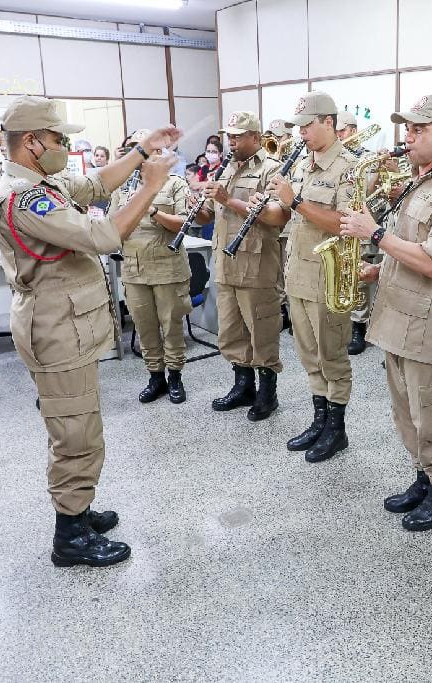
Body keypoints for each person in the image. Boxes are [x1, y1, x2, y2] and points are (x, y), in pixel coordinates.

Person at [0, 95, 180, 568]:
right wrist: (150, 186)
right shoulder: (23, 197)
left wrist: (140, 152)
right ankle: (70, 535)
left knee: (80, 424)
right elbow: (103, 235)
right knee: (75, 433)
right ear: (31, 142)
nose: (64, 146)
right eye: (57, 139)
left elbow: (94, 185)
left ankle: (80, 509)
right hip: (55, 329)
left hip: (66, 324)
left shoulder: (41, 181)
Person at [340, 95, 432, 531]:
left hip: (429, 324)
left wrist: (375, 234)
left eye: (420, 129)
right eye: (409, 128)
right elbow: (408, 248)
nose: (409, 136)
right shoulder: (420, 181)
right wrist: (377, 267)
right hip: (397, 317)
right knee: (405, 412)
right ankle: (423, 478)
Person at [263, 92, 358, 462]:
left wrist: (295, 201)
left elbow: (347, 224)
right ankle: (320, 419)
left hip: (327, 276)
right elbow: (288, 217)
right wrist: (268, 207)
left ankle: (337, 428)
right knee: (308, 354)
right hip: (297, 271)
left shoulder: (349, 167)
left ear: (328, 122)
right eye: (298, 127)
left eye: (307, 126)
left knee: (331, 354)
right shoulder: (302, 164)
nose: (300, 134)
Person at [199, 111, 288, 421]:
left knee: (261, 329)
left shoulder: (272, 169)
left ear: (255, 137)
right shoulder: (224, 169)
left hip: (257, 265)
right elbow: (207, 215)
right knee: (231, 331)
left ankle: (268, 393)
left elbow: (276, 216)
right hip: (225, 263)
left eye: (238, 136)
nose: (231, 141)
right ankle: (243, 385)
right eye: (229, 136)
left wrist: (227, 199)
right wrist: (195, 205)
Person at [109, 131, 192, 405]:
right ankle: (155, 376)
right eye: (135, 149)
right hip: (134, 268)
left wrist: (152, 210)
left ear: (160, 153)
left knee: (171, 325)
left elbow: (184, 223)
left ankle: (175, 376)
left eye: (146, 149)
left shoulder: (175, 184)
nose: (142, 155)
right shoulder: (122, 188)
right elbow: (112, 229)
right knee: (144, 326)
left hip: (167, 267)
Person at [334, 110, 375, 354]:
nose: (339, 135)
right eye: (336, 131)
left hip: (361, 223)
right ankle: (342, 323)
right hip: (338, 222)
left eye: (342, 130)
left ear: (353, 130)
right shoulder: (334, 157)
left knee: (358, 277)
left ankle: (359, 327)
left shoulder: (366, 158)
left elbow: (368, 194)